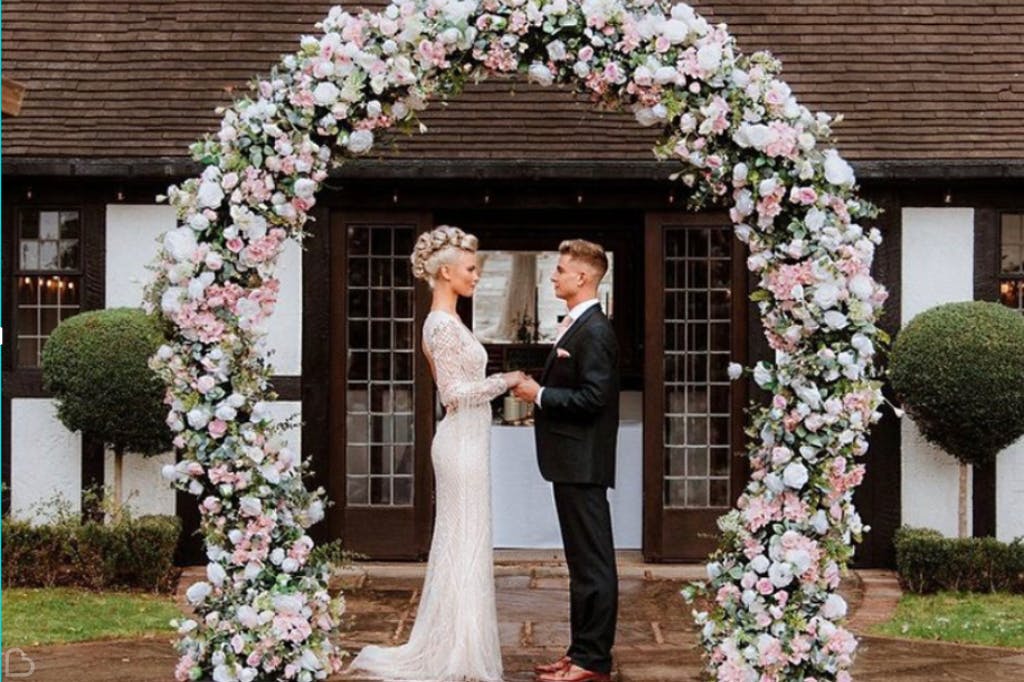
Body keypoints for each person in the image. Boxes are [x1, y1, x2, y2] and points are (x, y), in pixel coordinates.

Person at [348, 225, 521, 681]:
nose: (476, 276)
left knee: (468, 542)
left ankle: (462, 643)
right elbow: (453, 391)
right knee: (462, 542)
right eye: (470, 269)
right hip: (459, 442)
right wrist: (506, 381)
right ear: (445, 273)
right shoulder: (441, 326)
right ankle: (455, 650)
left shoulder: (451, 321)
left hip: (470, 438)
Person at [513, 239, 620, 682]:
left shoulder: (594, 330)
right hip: (570, 461)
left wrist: (538, 394)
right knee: (581, 563)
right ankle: (580, 652)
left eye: (560, 270)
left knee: (593, 563)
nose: (554, 276)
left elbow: (595, 397)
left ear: (583, 277)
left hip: (582, 462)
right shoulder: (579, 324)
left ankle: (593, 661)